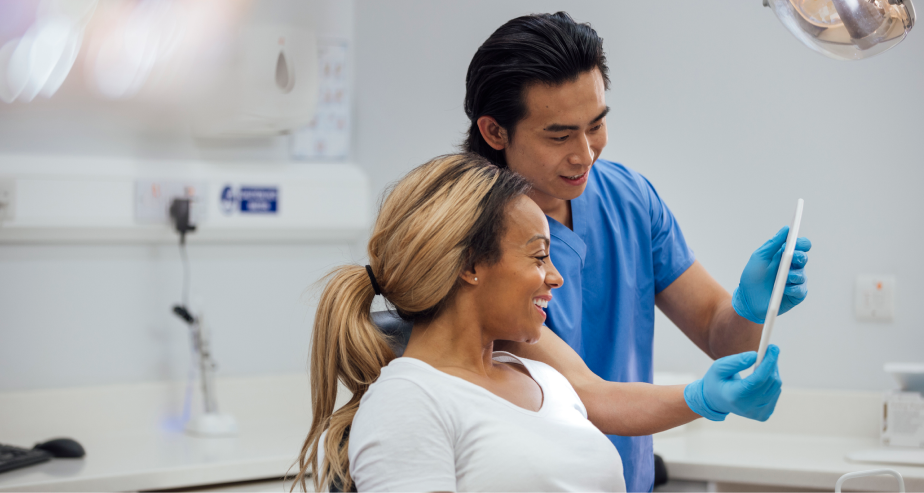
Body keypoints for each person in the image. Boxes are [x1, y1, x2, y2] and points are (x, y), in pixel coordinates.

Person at [461, 12, 810, 493]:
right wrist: (703, 397)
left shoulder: (627, 198)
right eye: (559, 136)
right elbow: (585, 395)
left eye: (596, 126)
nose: (585, 154)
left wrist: (753, 308)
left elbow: (719, 333)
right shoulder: (470, 234)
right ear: (495, 132)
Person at [291, 153, 781, 493]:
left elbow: (599, 394)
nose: (557, 276)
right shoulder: (408, 405)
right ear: (470, 265)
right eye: (539, 255)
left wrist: (706, 396)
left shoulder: (546, 380)